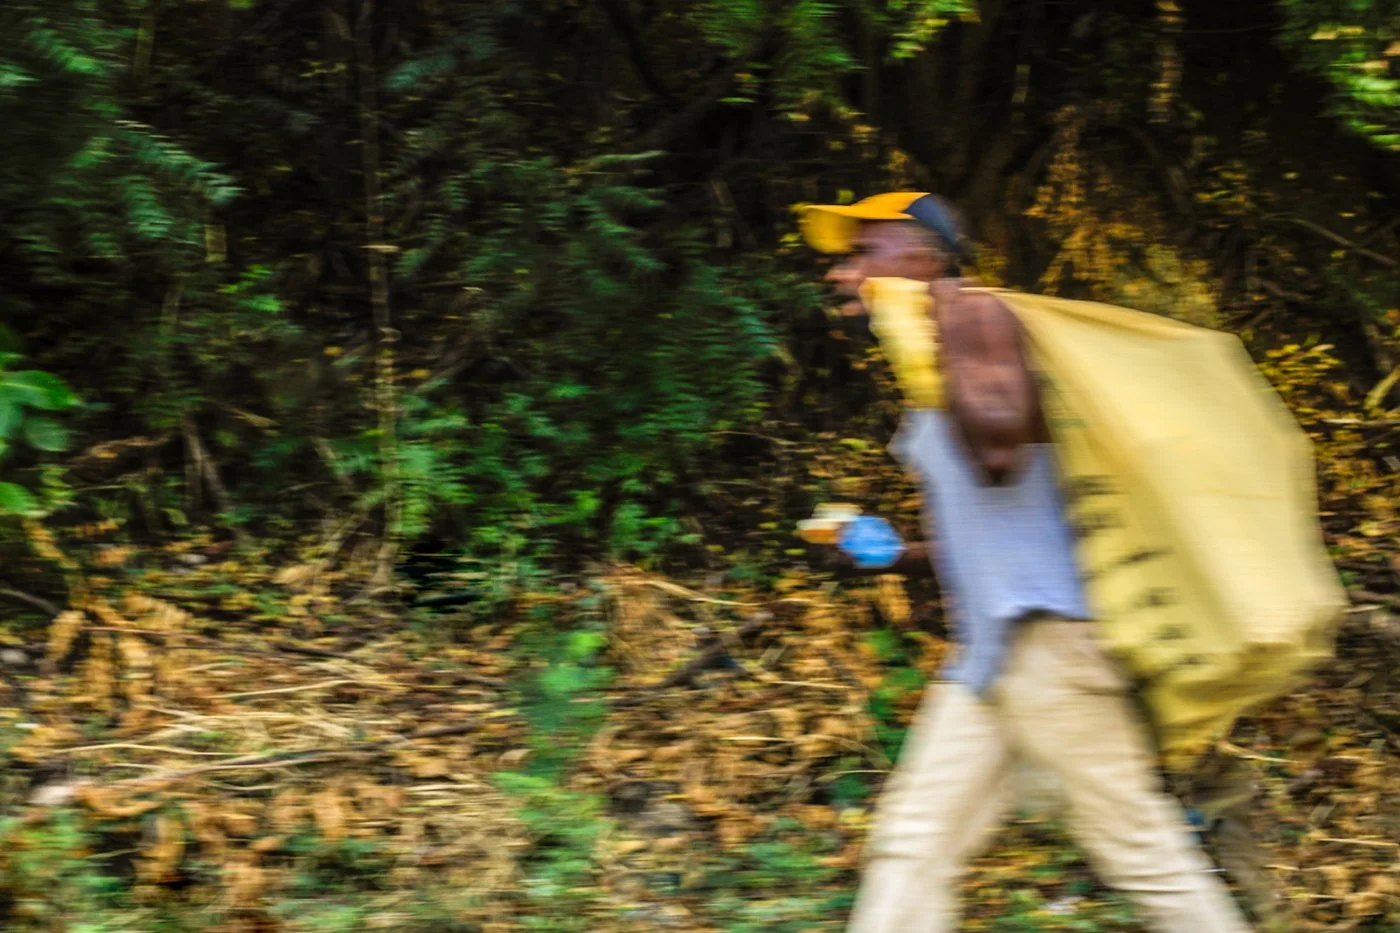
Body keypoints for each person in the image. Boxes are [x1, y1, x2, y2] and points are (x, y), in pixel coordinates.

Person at [800, 191, 1255, 933]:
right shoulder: (935, 352)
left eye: (864, 253)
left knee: (1140, 850)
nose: (845, 274)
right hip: (991, 654)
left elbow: (1001, 447)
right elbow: (988, 528)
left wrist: (934, 320)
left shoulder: (976, 316)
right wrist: (891, 552)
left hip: (1051, 644)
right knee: (911, 845)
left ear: (921, 255)